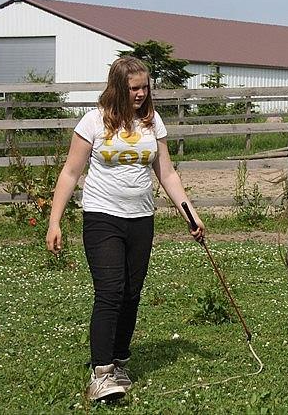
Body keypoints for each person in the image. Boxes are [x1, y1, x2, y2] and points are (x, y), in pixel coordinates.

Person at [46, 56, 205, 402]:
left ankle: (119, 361)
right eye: (134, 88)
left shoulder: (152, 122)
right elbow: (70, 173)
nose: (141, 93)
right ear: (119, 87)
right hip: (103, 218)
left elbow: (167, 174)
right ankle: (100, 373)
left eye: (145, 86)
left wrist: (190, 214)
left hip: (140, 219)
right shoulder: (93, 122)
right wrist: (54, 220)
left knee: (132, 292)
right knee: (110, 291)